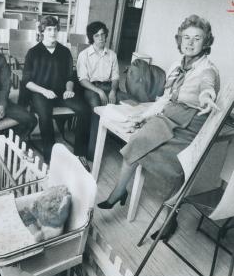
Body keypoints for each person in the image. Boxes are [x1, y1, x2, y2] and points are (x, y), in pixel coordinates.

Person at [98, 14, 220, 239]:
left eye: (197, 38)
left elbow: (207, 86)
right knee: (136, 141)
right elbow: (164, 99)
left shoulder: (207, 70)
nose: (190, 42)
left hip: (191, 126)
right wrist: (144, 116)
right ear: (179, 39)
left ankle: (170, 218)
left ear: (206, 42)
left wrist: (207, 95)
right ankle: (118, 192)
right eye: (186, 37)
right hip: (169, 117)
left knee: (177, 170)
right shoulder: (176, 66)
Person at [22, 15, 91, 164]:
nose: (52, 32)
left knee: (85, 109)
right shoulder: (33, 52)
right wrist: (44, 91)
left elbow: (69, 77)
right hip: (39, 93)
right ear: (42, 31)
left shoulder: (64, 52)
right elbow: (27, 82)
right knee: (45, 115)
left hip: (61, 93)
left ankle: (80, 153)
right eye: (48, 29)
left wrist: (69, 89)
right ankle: (50, 156)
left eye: (54, 29)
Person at [77, 21, 126, 159]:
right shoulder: (84, 55)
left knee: (127, 103)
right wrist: (99, 91)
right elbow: (82, 80)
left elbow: (116, 77)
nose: (101, 38)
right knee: (97, 110)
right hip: (91, 88)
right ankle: (92, 153)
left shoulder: (112, 55)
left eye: (103, 35)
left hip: (109, 87)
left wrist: (113, 91)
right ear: (91, 37)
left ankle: (123, 144)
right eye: (97, 35)